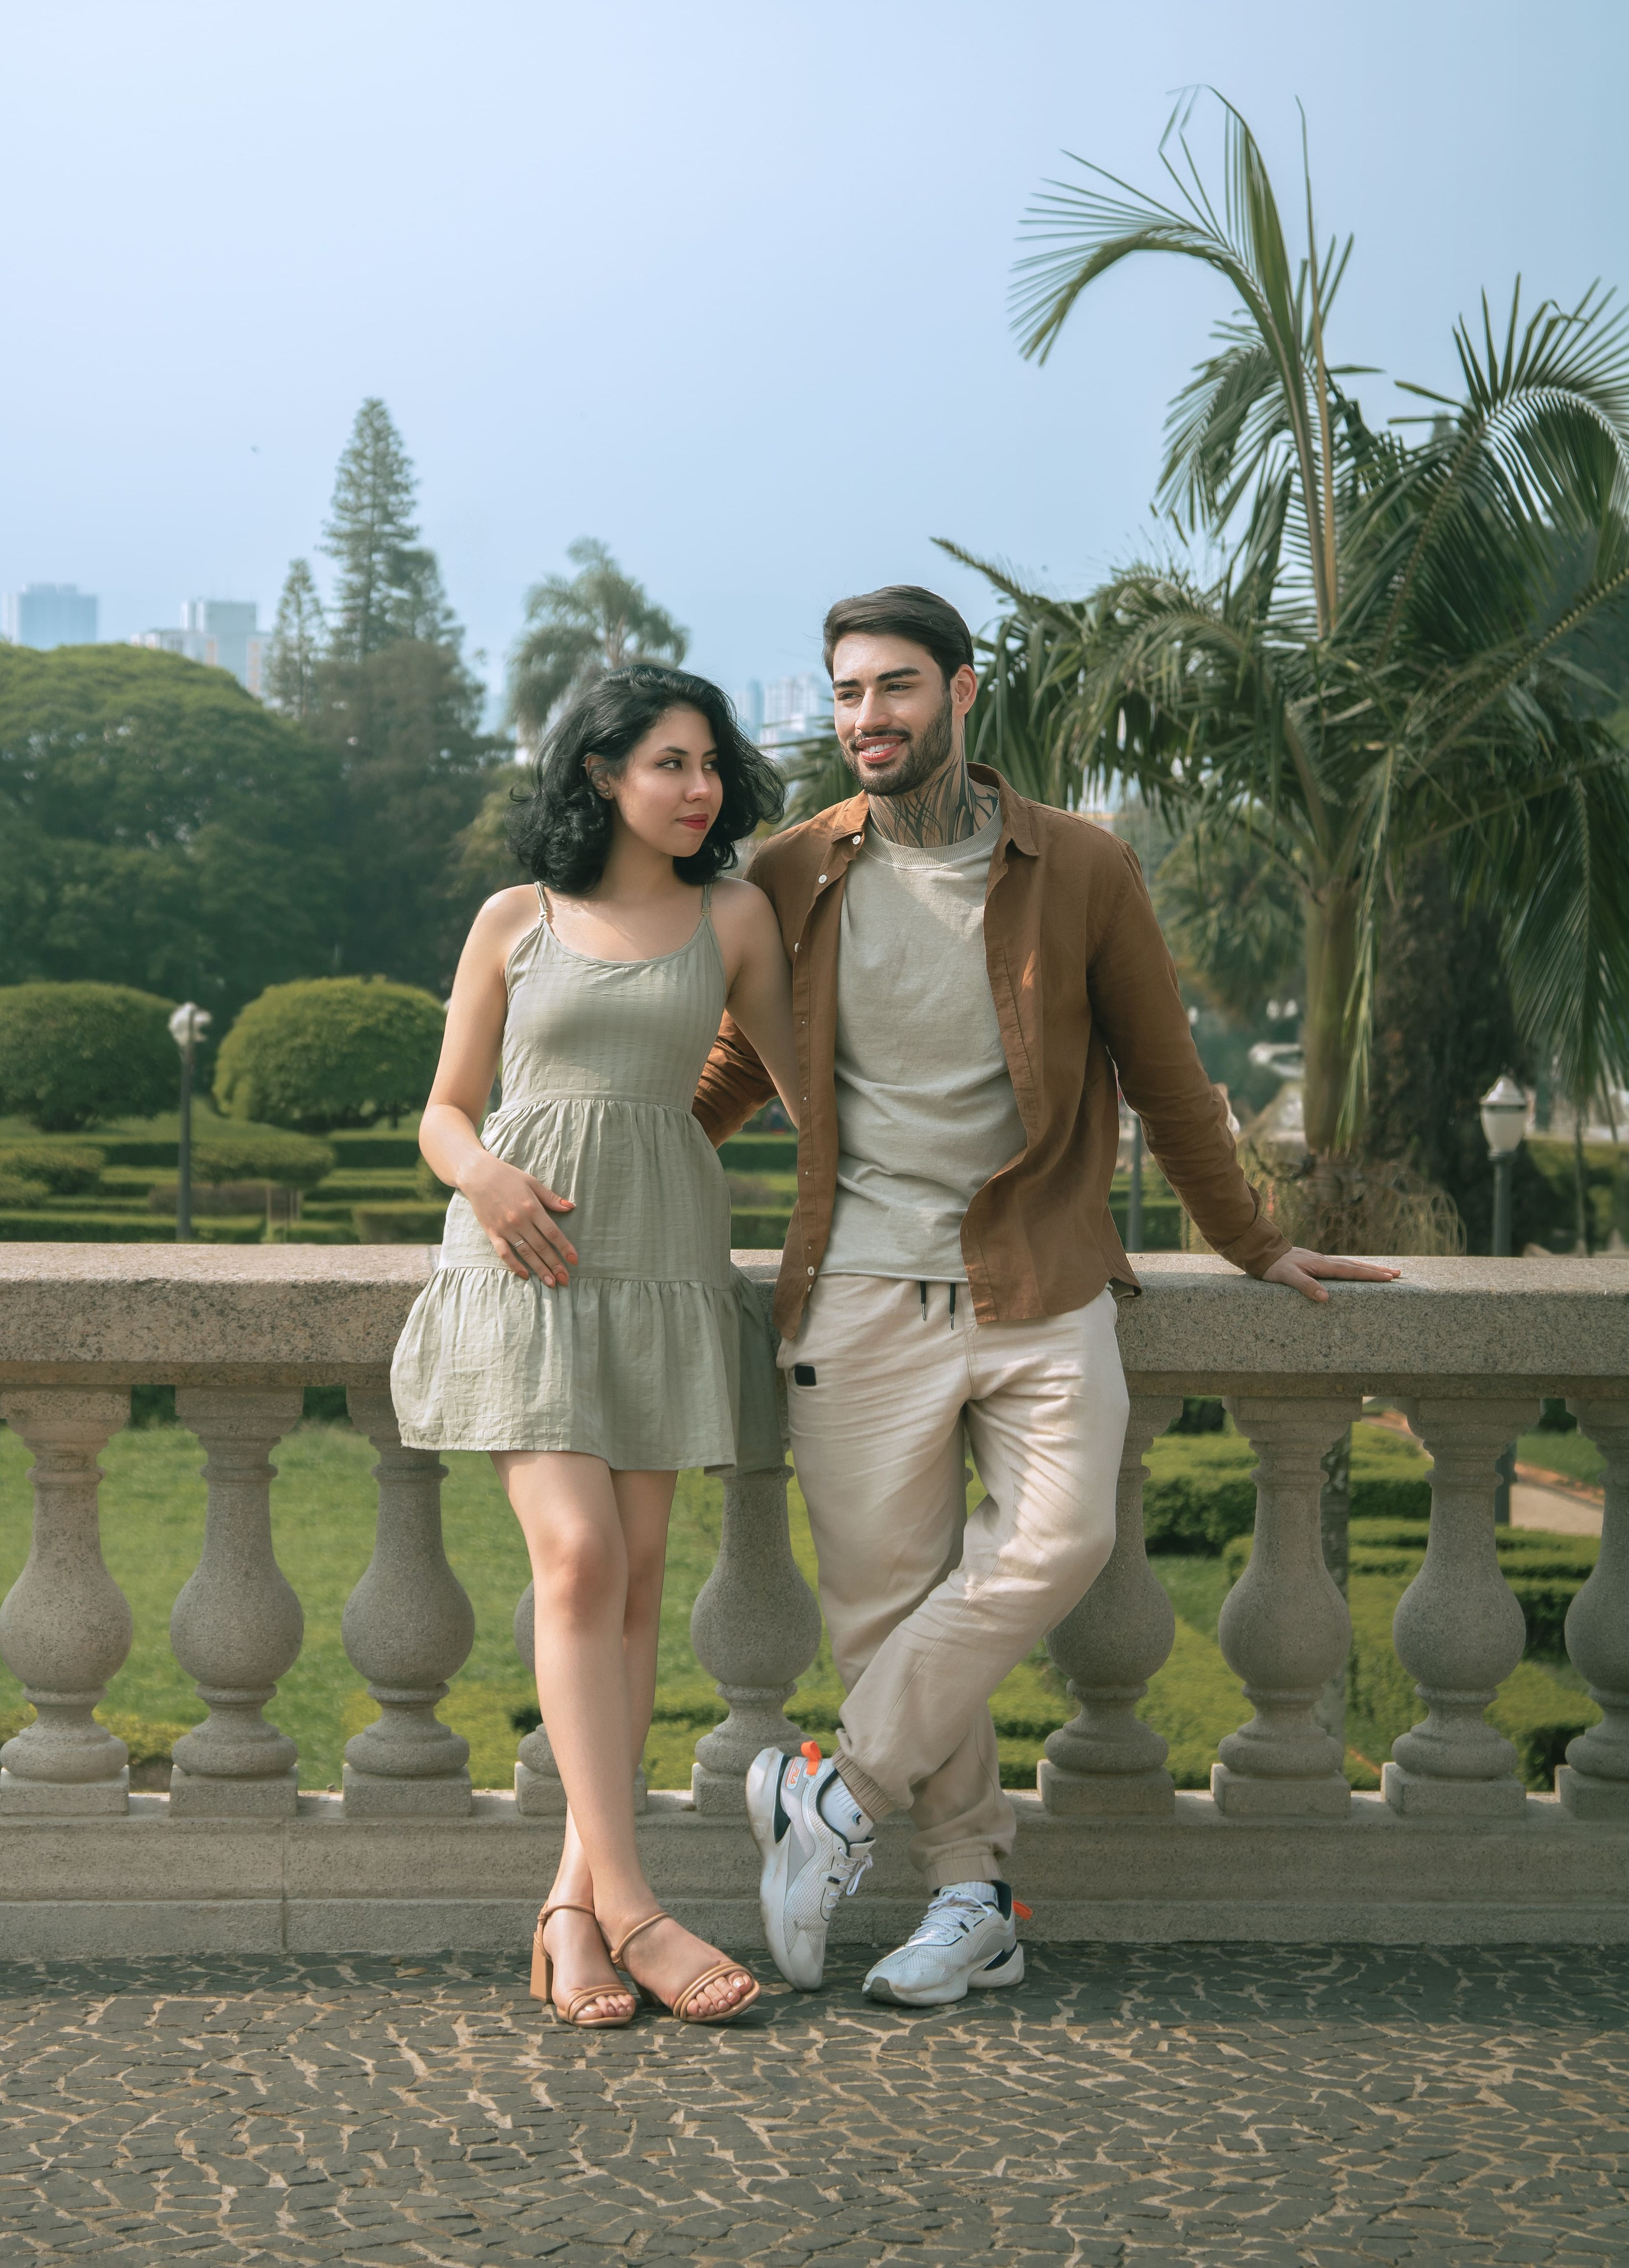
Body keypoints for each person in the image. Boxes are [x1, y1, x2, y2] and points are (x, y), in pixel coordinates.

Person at [692, 586, 1399, 2007]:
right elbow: (722, 1076)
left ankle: (830, 1789)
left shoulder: (1078, 867)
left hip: (1041, 1281)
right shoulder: (786, 874)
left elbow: (1168, 1074)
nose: (865, 720)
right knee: (886, 1612)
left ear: (961, 693)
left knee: (1059, 1537)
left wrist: (1254, 1243)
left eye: (893, 687)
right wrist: (559, 1181)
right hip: (858, 1296)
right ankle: (972, 1899)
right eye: (843, 694)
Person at [392, 664, 799, 2028]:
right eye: (670, 763)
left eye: (709, 765)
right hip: (524, 1252)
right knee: (576, 1558)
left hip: (663, 1258)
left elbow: (815, 1100)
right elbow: (447, 1112)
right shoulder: (516, 918)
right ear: (600, 776)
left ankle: (572, 1909)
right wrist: (487, 1182)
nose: (699, 789)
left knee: (631, 1587)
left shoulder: (731, 915)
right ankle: (634, 1906)